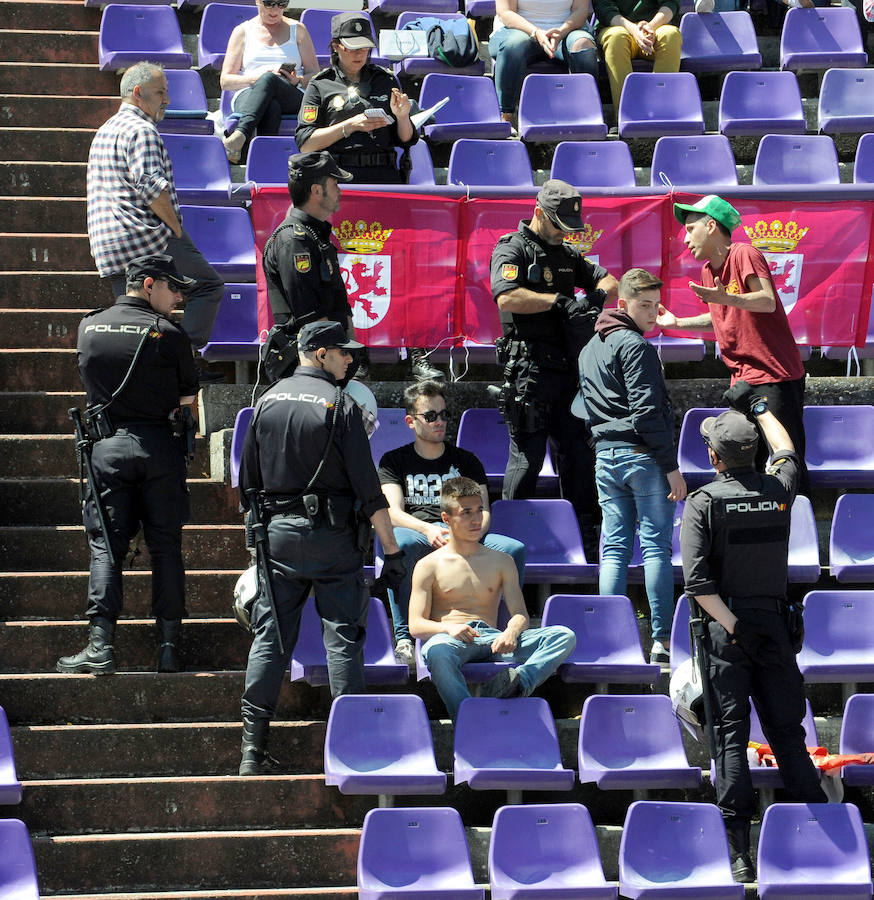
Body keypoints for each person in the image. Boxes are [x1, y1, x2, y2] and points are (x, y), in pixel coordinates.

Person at [237, 319, 406, 775]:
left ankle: (251, 750)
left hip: (277, 538)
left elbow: (247, 482)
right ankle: (351, 750)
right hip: (333, 539)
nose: (350, 359)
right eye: (342, 351)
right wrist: (391, 551)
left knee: (271, 641)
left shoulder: (266, 400)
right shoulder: (342, 404)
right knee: (344, 642)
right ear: (317, 352)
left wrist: (258, 540)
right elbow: (368, 487)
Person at [679, 396, 827, 884]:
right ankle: (820, 833)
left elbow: (699, 587)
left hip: (728, 632)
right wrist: (761, 408)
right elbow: (788, 452)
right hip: (775, 627)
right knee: (788, 734)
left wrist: (735, 628)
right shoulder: (779, 490)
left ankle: (740, 854)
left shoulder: (703, 503)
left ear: (714, 458)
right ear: (752, 452)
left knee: (730, 739)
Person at [57, 254, 201, 677]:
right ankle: (169, 648)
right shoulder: (171, 334)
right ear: (148, 284)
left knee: (106, 548)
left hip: (107, 448)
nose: (178, 297)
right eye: (173, 288)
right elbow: (187, 402)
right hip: (160, 449)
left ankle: (100, 646)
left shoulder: (90, 326)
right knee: (166, 547)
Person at [295, 12, 441, 382]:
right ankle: (351, 354)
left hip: (385, 181)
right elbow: (305, 141)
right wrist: (349, 126)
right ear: (336, 47)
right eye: (353, 48)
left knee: (401, 265)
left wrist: (404, 116)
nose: (360, 55)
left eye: (365, 48)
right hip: (340, 183)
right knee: (341, 270)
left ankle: (415, 351)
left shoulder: (385, 79)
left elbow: (405, 139)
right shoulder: (321, 85)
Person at [490, 179, 619, 557]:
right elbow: (506, 297)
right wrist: (558, 303)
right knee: (527, 459)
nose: (565, 232)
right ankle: (506, 543)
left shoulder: (567, 254)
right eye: (559, 224)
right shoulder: (512, 248)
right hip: (529, 371)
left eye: (570, 227)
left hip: (568, 370)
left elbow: (611, 282)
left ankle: (585, 541)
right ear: (539, 213)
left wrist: (593, 295)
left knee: (579, 457)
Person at [657, 194, 809, 495]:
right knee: (744, 466)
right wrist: (678, 324)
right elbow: (721, 316)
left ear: (711, 226)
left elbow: (766, 301)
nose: (685, 238)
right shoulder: (707, 271)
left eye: (690, 228)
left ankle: (795, 530)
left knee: (784, 464)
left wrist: (727, 298)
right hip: (741, 382)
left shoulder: (744, 253)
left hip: (774, 378)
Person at [86, 62, 224, 382]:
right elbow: (152, 188)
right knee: (208, 286)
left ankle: (149, 376)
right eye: (161, 92)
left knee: (139, 317)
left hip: (109, 246)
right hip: (145, 238)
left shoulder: (106, 129)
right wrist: (175, 228)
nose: (168, 100)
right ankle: (184, 364)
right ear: (138, 93)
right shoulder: (142, 129)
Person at [576, 268, 686, 664]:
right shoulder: (635, 346)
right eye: (644, 305)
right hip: (642, 455)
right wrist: (671, 466)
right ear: (622, 304)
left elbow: (584, 409)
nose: (653, 313)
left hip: (605, 456)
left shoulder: (589, 348)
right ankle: (660, 641)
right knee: (656, 547)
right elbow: (647, 414)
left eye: (657, 305)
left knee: (615, 549)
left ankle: (611, 639)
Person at [378, 381, 527, 666]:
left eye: (444, 415)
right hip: (421, 533)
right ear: (411, 421)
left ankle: (508, 632)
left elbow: (482, 512)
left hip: (466, 533)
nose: (440, 422)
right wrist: (428, 529)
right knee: (402, 544)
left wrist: (464, 537)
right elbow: (392, 513)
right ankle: (405, 638)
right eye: (430, 416)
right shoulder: (393, 461)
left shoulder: (466, 460)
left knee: (513, 549)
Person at [409, 477, 575, 721]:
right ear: (447, 519)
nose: (476, 520)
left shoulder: (502, 561)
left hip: (493, 638)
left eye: (479, 511)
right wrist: (449, 628)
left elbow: (520, 614)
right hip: (452, 640)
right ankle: (469, 720)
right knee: (437, 652)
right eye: (466, 513)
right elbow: (416, 625)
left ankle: (518, 684)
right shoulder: (428, 565)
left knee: (563, 636)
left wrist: (511, 631)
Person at [219, 0, 319, 164]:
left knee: (270, 79)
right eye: (269, 3)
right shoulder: (242, 31)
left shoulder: (298, 30)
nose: (275, 9)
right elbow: (225, 81)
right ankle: (263, 164)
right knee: (271, 105)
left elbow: (315, 75)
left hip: (291, 92)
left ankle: (240, 136)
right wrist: (255, 77)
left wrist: (298, 80)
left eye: (281, 4)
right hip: (249, 93)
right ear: (258, 1)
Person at [488, 0, 598, 125]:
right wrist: (536, 32)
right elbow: (505, 13)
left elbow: (581, 11)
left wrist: (561, 32)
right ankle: (506, 115)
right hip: (519, 31)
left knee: (583, 45)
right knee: (513, 46)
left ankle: (587, 114)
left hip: (564, 33)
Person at [591, 0, 681, 114]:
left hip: (654, 29)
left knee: (670, 35)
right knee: (616, 37)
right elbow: (605, 10)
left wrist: (650, 27)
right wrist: (634, 30)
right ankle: (626, 115)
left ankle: (661, 112)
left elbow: (671, 3)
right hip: (617, 27)